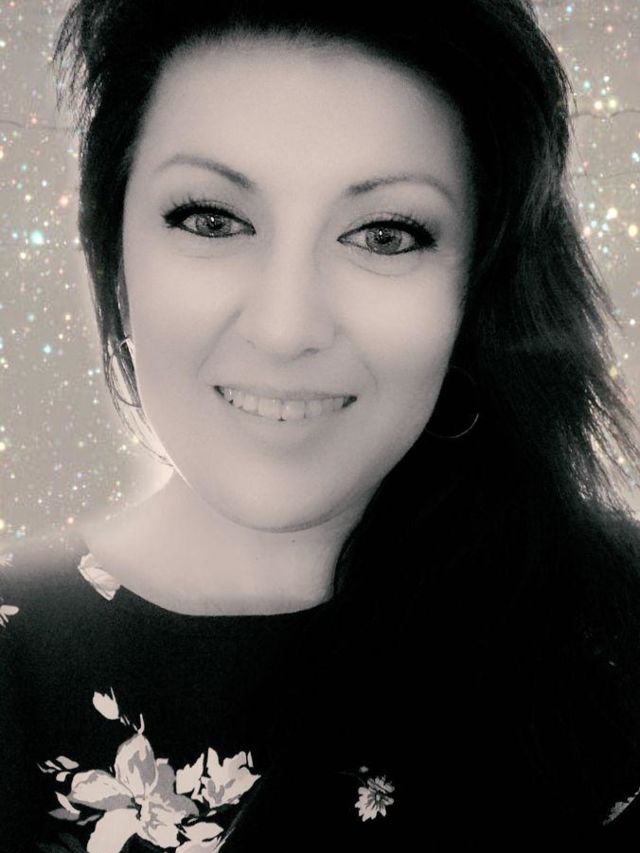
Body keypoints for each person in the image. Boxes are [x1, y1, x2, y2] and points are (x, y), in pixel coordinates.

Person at [2, 0, 640, 849]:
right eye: (211, 219)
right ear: (114, 251)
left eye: (384, 235)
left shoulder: (616, 627)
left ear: (479, 288)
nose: (285, 327)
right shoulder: (16, 657)